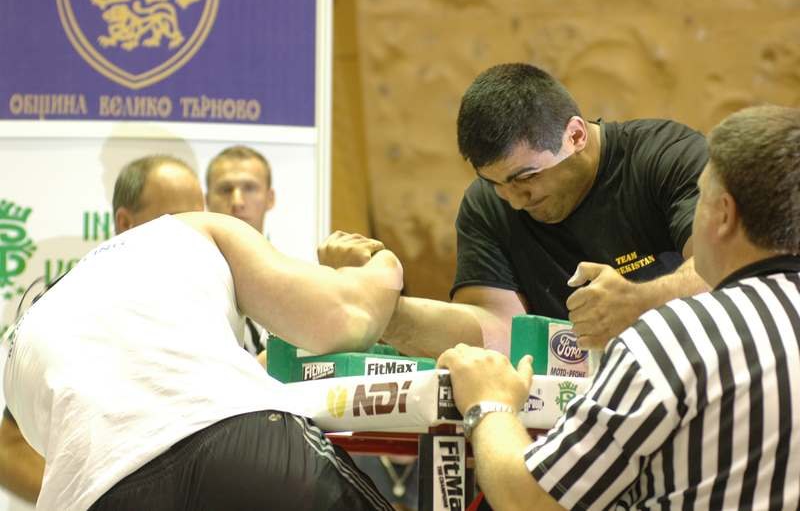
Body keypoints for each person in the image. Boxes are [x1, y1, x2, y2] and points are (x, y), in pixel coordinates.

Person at [438, 105, 800, 510]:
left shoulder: (669, 343)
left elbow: (534, 502)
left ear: (724, 215)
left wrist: (489, 404)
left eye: (700, 198)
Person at [3, 210, 401, 510]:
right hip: (237, 450)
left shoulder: (19, 351)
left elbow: (122, 428)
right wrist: (380, 261)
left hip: (96, 497)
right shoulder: (186, 230)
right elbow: (347, 318)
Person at [378, 63, 708, 357]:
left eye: (527, 177)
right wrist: (386, 314)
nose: (514, 200)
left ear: (575, 135)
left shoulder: (667, 157)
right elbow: (497, 334)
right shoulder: (487, 203)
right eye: (495, 182)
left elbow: (722, 271)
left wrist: (638, 301)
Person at [0, 154, 206, 505]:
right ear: (125, 222)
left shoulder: (214, 303)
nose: (196, 236)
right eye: (176, 221)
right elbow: (9, 449)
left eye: (200, 221)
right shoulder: (72, 308)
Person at [206, 145, 276, 361]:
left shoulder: (297, 279)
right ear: (207, 200)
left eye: (250, 188)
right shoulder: (187, 279)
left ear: (270, 198)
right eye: (226, 189)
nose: (237, 201)